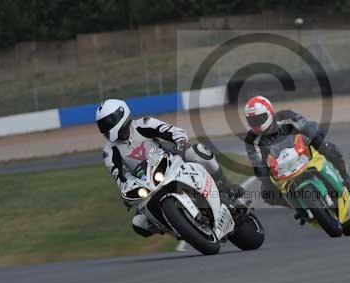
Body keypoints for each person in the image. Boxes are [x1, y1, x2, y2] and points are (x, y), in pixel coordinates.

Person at [96, 98, 247, 237]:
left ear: (120, 116)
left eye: (107, 123)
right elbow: (120, 178)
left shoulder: (143, 124)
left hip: (169, 165)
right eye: (102, 125)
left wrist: (180, 142)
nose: (105, 128)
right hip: (146, 185)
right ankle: (177, 227)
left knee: (197, 151)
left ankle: (225, 187)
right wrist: (126, 195)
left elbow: (173, 131)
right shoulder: (109, 152)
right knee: (139, 223)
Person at [243, 95, 350, 207]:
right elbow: (256, 163)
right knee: (267, 192)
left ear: (269, 112)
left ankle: (346, 180)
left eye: (259, 118)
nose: (257, 123)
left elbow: (307, 126)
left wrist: (316, 138)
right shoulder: (251, 139)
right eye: (253, 120)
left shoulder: (286, 116)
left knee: (329, 149)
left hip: (303, 152)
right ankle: (298, 205)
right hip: (280, 168)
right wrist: (264, 176)